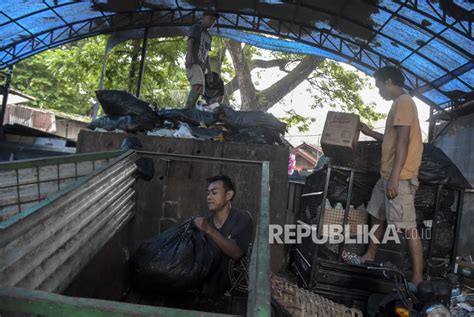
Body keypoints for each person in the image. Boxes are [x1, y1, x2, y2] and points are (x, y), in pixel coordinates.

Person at [342, 66, 424, 287]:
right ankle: (369, 255)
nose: (378, 91)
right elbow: (391, 139)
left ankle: (417, 279)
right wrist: (369, 132)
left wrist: (396, 177)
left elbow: (403, 142)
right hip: (386, 174)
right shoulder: (397, 106)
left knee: (408, 227)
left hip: (400, 177)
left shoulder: (404, 102)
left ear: (389, 82)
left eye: (379, 86)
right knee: (376, 213)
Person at [193, 175, 254, 296]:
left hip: (236, 294)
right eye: (208, 193)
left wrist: (209, 230)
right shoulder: (207, 222)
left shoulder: (242, 218)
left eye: (214, 193)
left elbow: (236, 253)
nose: (209, 197)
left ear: (228, 195)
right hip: (209, 293)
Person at [185, 10, 219, 109]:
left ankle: (191, 109)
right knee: (198, 85)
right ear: (203, 18)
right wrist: (189, 57)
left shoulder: (209, 36)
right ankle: (187, 110)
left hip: (202, 67)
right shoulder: (197, 27)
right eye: (210, 19)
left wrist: (209, 72)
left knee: (200, 89)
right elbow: (190, 41)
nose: (212, 22)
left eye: (214, 20)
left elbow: (206, 54)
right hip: (194, 62)